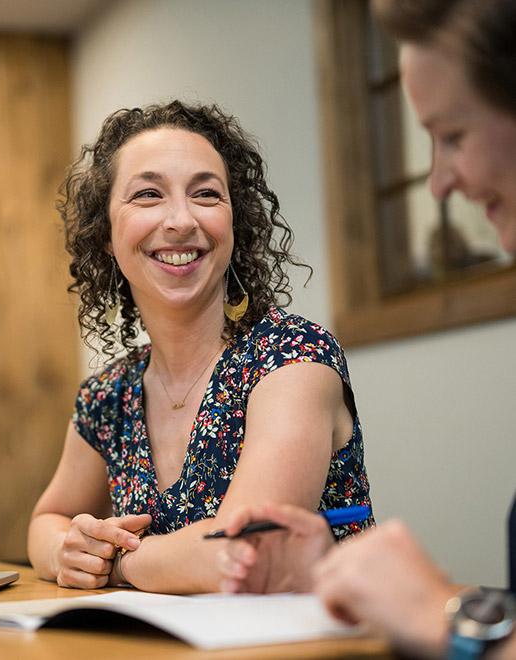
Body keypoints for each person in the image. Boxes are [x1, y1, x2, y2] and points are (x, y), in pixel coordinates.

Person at [216, 0, 516, 657]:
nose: (437, 181)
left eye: (454, 135)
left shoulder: (291, 351)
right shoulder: (111, 389)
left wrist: (448, 612)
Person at [26, 100, 373, 594]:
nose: (181, 220)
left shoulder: (293, 356)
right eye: (148, 194)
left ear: (235, 224)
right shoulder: (108, 395)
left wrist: (117, 564)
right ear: (105, 235)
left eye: (206, 194)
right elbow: (47, 519)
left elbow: (240, 551)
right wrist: (68, 549)